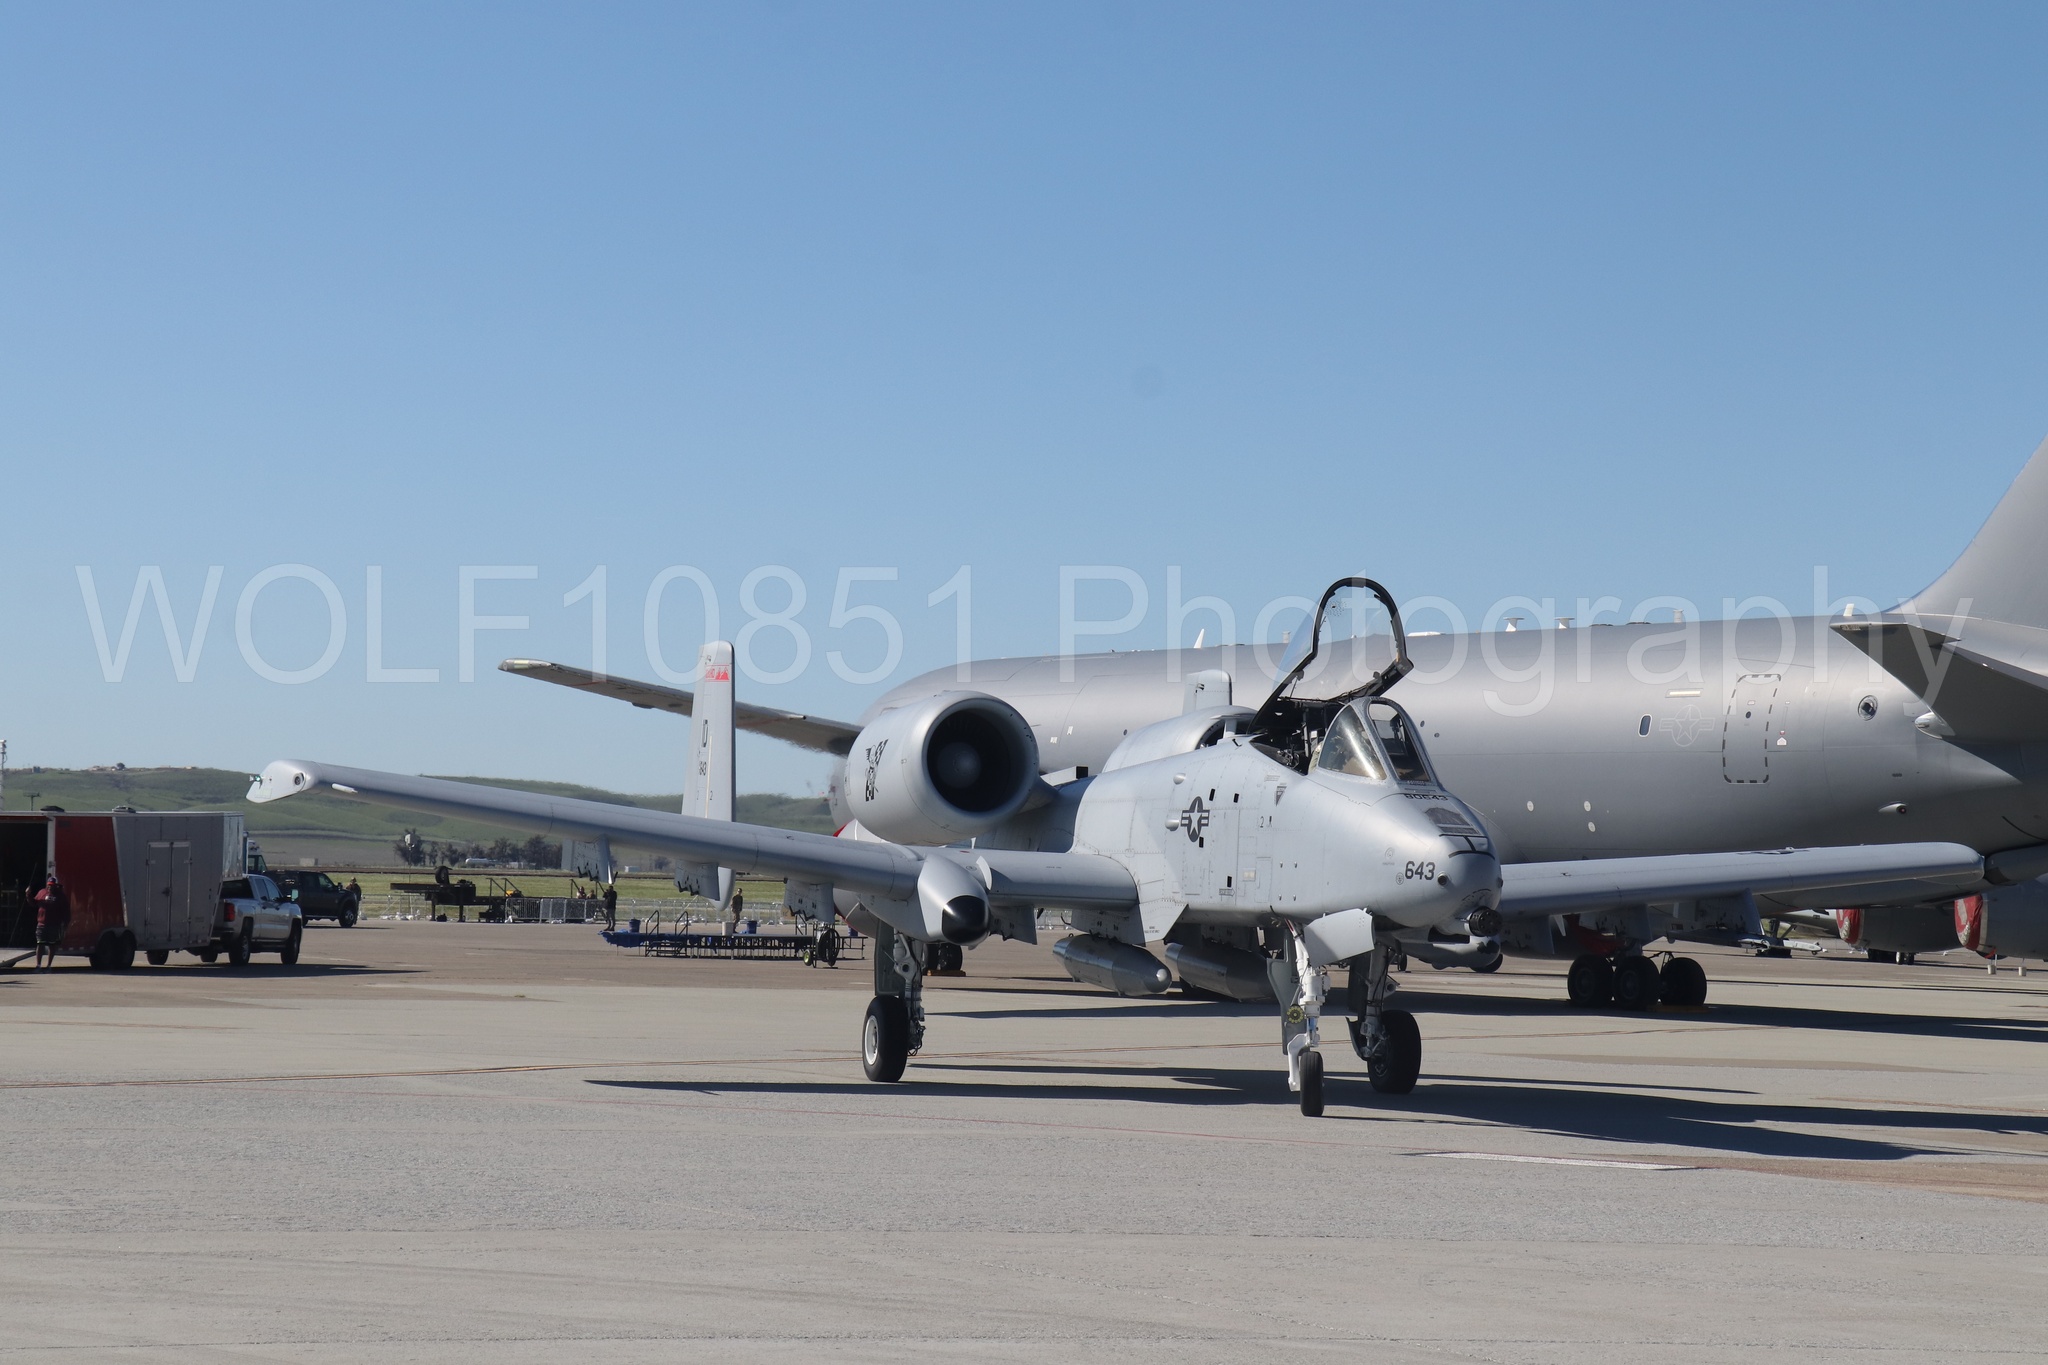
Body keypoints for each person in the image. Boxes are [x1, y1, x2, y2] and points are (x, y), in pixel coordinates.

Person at [33, 875, 69, 971]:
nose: (50, 887)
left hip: (54, 925)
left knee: (52, 945)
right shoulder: (42, 892)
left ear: (56, 885)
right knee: (40, 944)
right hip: (41, 924)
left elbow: (66, 911)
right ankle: (38, 965)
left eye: (52, 885)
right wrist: (28, 895)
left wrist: (65, 924)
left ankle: (49, 966)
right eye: (49, 885)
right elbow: (33, 903)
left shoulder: (61, 896)